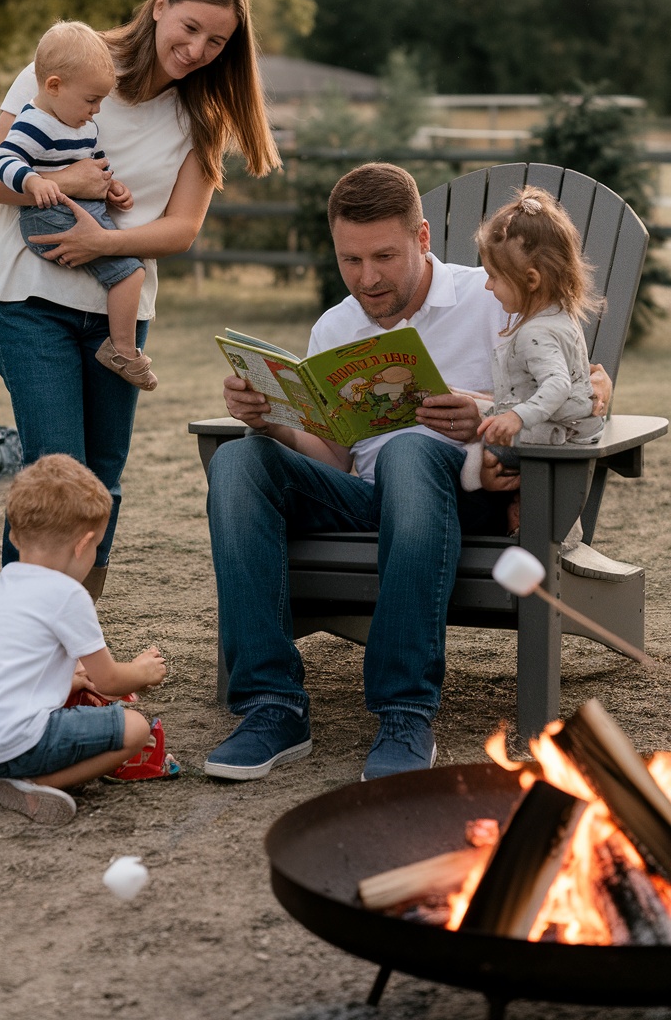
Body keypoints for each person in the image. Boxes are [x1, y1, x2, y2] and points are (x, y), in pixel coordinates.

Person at [203, 163, 611, 784]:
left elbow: (587, 383)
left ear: (423, 238)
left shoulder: (493, 296)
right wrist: (274, 425)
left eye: (385, 256)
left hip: (462, 495)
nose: (368, 278)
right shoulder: (335, 327)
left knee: (407, 452)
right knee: (238, 459)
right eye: (351, 260)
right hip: (366, 499)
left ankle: (404, 713)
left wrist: (482, 414)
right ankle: (271, 706)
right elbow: (337, 456)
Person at [0, 0, 280, 600]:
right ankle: (22, 626)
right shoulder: (64, 63)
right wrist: (72, 186)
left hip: (121, 311)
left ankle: (77, 629)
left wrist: (102, 242)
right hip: (34, 301)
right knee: (56, 470)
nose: (196, 51)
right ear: (160, 3)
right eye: (190, 28)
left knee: (104, 477)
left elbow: (181, 229)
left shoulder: (202, 116)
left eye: (216, 42)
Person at [0, 455, 170, 826]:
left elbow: (14, 668)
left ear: (15, 536)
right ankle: (32, 782)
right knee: (135, 729)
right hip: (11, 742)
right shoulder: (68, 594)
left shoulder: (6, 583)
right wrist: (143, 671)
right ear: (84, 545)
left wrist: (73, 679)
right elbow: (111, 681)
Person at [0, 20, 157, 391]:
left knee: (131, 272)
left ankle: (120, 347)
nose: (97, 110)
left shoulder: (82, 124)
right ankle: (123, 352)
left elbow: (97, 164)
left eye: (101, 100)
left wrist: (111, 186)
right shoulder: (34, 123)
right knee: (131, 273)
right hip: (48, 216)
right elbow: (3, 161)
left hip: (82, 210)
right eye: (91, 100)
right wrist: (35, 180)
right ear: (54, 86)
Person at [460, 186, 605, 493]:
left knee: (483, 443)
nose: (487, 286)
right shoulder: (561, 315)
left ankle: (491, 489)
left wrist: (516, 416)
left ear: (530, 280)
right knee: (484, 410)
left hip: (559, 433)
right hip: (576, 424)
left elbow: (557, 384)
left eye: (494, 276)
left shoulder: (534, 333)